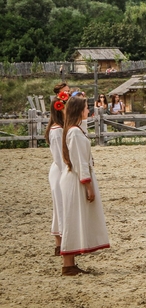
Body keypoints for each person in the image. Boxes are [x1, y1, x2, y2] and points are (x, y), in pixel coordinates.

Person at [59, 95, 110, 275]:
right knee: (72, 220)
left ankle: (70, 262)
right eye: (86, 108)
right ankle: (67, 264)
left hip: (75, 178)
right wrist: (88, 186)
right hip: (75, 181)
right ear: (79, 111)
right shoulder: (74, 132)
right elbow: (80, 162)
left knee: (73, 219)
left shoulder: (75, 130)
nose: (89, 110)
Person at [45, 85, 69, 256]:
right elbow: (60, 157)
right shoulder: (56, 131)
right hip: (60, 170)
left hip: (60, 169)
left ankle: (59, 244)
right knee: (61, 208)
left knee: (60, 208)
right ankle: (63, 245)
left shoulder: (60, 128)